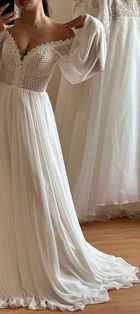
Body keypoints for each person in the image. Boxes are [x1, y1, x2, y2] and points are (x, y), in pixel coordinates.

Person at [0, 0, 139, 311]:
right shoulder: (4, 30)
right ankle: (14, 263)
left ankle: (46, 263)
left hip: (34, 117)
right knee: (6, 186)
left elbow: (85, 69)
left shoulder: (61, 32)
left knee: (37, 188)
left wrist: (92, 26)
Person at [55, 0, 140, 223]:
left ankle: (126, 191)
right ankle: (85, 191)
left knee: (126, 115)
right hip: (104, 36)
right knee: (93, 110)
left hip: (129, 43)